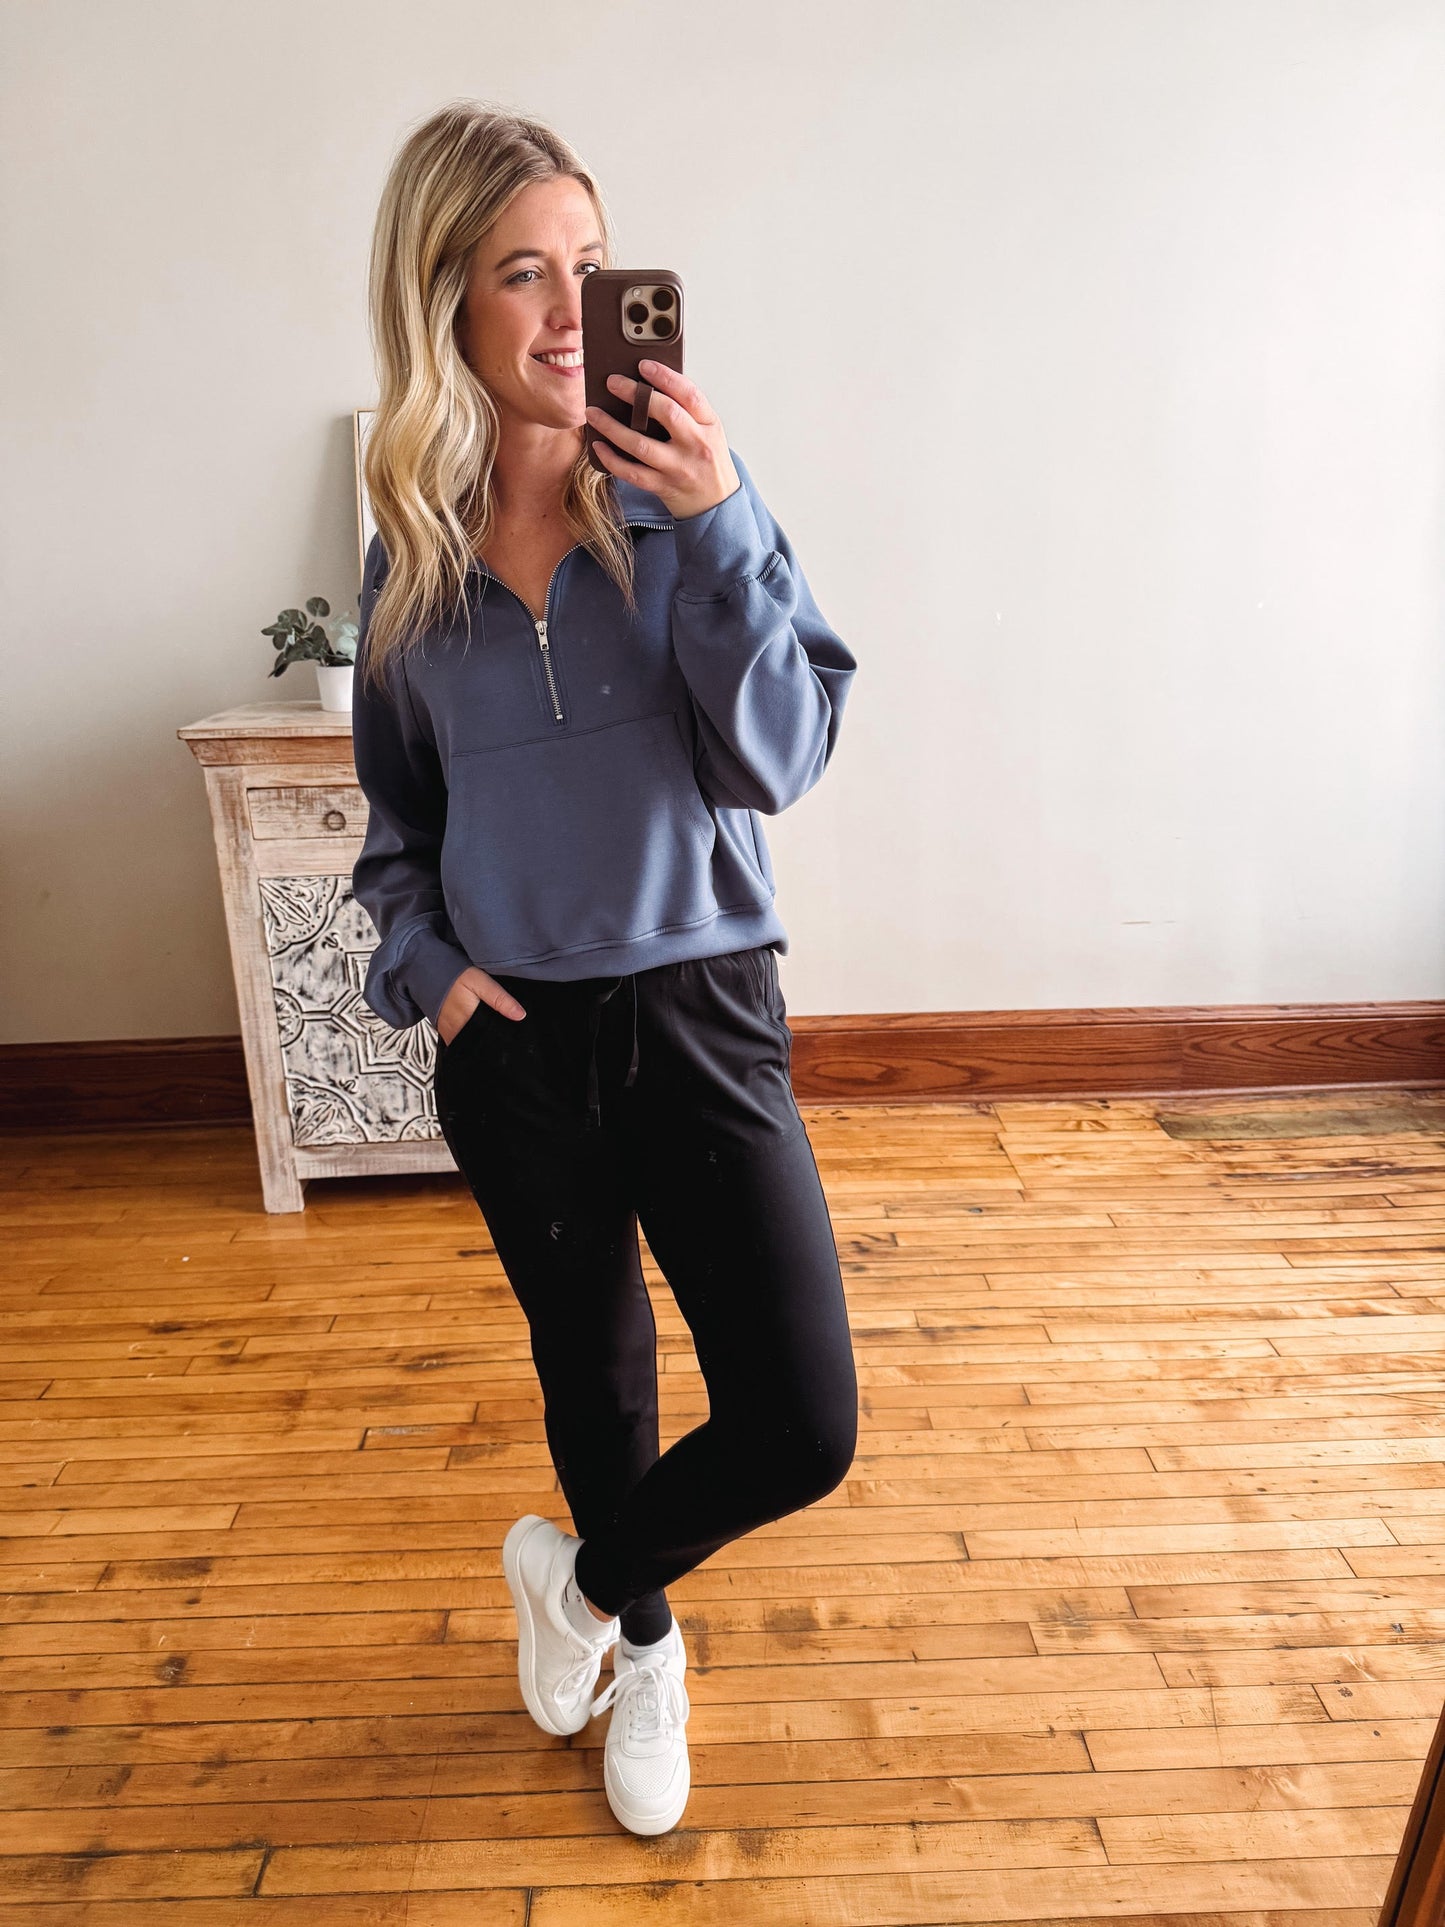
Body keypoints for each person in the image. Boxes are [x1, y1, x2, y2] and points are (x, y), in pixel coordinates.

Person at [350, 100, 859, 1838]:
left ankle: (570, 1588)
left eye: (591, 265)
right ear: (449, 312)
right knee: (602, 1384)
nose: (572, 311)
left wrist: (714, 523)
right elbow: (391, 835)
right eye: (521, 274)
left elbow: (782, 755)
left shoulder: (688, 505)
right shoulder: (406, 569)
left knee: (797, 1423)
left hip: (702, 1009)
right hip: (518, 1045)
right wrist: (434, 978)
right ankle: (644, 1642)